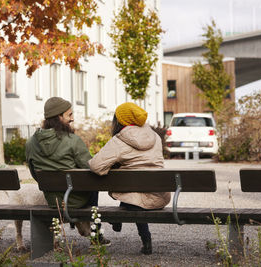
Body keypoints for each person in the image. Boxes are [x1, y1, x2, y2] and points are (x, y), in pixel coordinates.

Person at [25, 96, 110, 245]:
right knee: (93, 184)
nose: (72, 119)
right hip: (77, 200)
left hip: (53, 201)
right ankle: (96, 235)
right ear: (59, 116)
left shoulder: (31, 143)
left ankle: (87, 229)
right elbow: (89, 168)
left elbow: (35, 174)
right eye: (69, 115)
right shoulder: (73, 140)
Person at [88, 102, 170, 255]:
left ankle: (117, 220)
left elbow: (96, 167)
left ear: (119, 121)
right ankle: (145, 240)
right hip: (159, 197)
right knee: (136, 192)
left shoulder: (119, 141)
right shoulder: (156, 137)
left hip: (135, 201)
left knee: (135, 196)